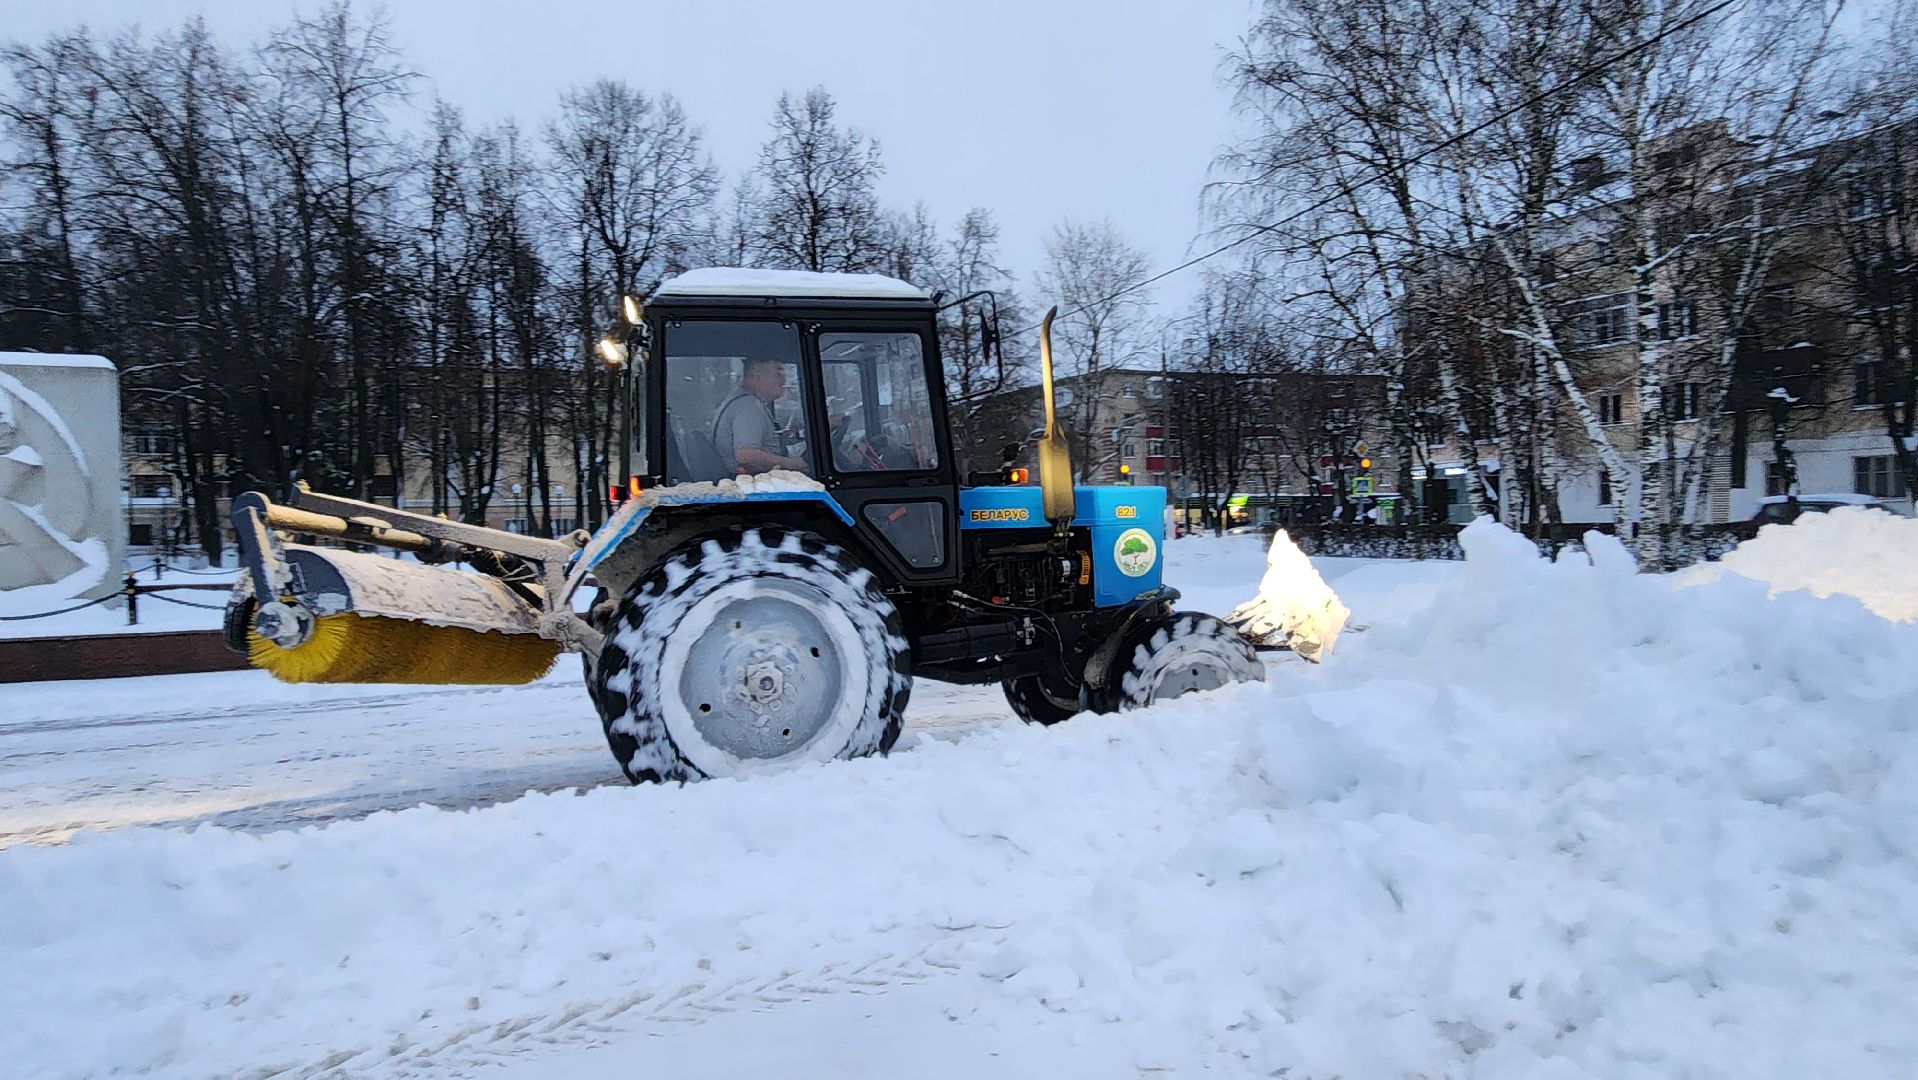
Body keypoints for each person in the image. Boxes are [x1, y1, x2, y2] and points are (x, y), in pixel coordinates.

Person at [711, 356, 808, 475]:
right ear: (757, 377)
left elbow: (767, 441)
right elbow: (746, 455)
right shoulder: (749, 406)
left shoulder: (745, 402)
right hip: (754, 482)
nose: (784, 381)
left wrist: (799, 434)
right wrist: (793, 464)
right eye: (778, 374)